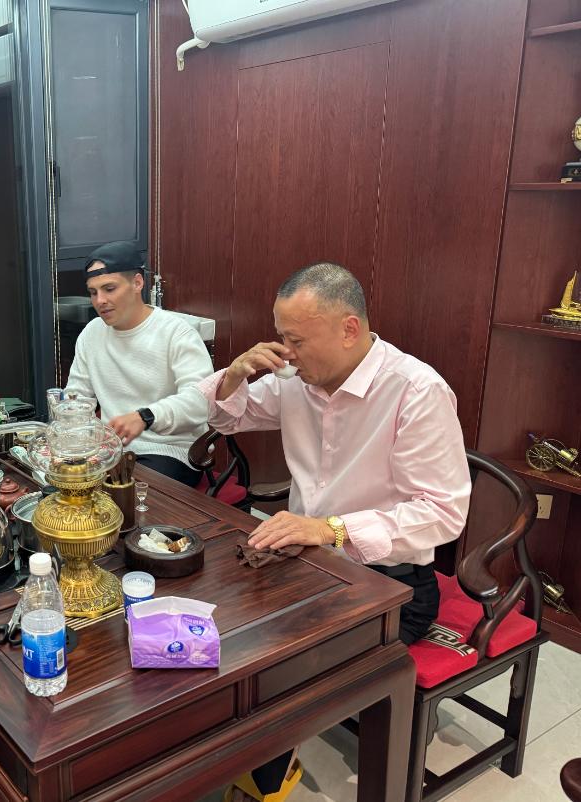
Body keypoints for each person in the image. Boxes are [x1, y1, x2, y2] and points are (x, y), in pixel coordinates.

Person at [196, 262, 471, 802]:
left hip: (389, 587)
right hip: (305, 564)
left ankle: (263, 781)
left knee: (275, 665)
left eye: (296, 340)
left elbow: (442, 513)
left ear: (349, 329)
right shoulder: (300, 380)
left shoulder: (416, 390)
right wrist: (234, 375)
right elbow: (228, 418)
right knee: (213, 615)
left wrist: (330, 528)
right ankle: (210, 756)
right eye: (281, 337)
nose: (287, 352)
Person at [62, 241, 213, 487]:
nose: (100, 300)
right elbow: (76, 396)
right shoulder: (91, 333)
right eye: (93, 292)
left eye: (110, 289)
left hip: (169, 450)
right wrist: (67, 429)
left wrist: (146, 417)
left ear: (137, 283)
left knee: (125, 497)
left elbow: (200, 401)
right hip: (110, 450)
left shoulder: (176, 333)